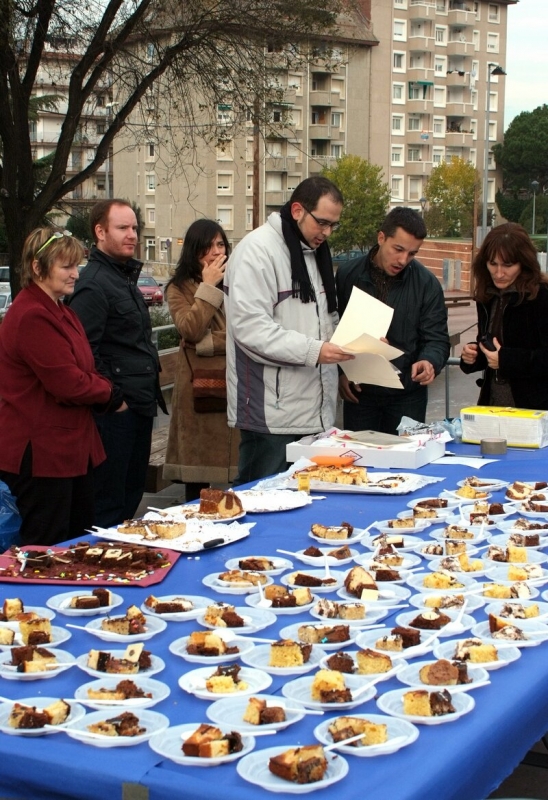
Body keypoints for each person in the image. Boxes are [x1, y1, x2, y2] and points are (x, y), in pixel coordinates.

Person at [224, 176, 354, 485]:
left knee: (306, 503)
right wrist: (315, 351)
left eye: (333, 225)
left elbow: (324, 321)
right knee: (259, 500)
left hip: (314, 412)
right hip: (270, 416)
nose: (327, 232)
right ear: (297, 211)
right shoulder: (257, 251)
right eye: (322, 222)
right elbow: (251, 330)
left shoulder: (313, 253)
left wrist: (357, 342)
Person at [0, 228, 114, 545]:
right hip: (43, 456)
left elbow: (84, 370)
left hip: (68, 450)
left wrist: (96, 384)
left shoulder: (61, 310)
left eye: (76, 265)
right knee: (47, 549)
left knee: (76, 545)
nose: (76, 273)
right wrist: (108, 390)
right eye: (66, 266)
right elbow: (68, 383)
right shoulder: (32, 315)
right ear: (38, 267)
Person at [67, 200, 167, 527]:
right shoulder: (94, 283)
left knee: (128, 500)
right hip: (114, 415)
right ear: (100, 232)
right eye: (122, 228)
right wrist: (115, 399)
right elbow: (84, 353)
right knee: (108, 506)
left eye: (135, 228)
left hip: (138, 407)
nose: (132, 235)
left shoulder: (121, 277)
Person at [336, 206, 450, 435]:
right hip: (360, 393)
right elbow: (333, 327)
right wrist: (340, 372)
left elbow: (437, 338)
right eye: (398, 249)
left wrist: (429, 361)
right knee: (360, 455)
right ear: (381, 238)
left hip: (407, 394)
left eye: (412, 253)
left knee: (405, 457)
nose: (403, 260)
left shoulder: (427, 283)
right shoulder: (347, 274)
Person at [162, 219, 239, 499]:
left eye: (220, 244)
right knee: (198, 473)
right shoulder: (179, 288)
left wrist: (207, 343)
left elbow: (248, 332)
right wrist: (208, 286)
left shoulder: (238, 281)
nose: (217, 252)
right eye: (208, 246)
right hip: (199, 387)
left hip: (235, 383)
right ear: (194, 252)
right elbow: (191, 330)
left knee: (239, 470)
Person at [460, 222, 548, 409]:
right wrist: (474, 355)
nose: (499, 273)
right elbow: (493, 347)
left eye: (508, 265)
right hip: (493, 404)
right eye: (493, 264)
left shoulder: (542, 296)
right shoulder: (487, 295)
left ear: (523, 263)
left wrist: (506, 360)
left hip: (534, 410)